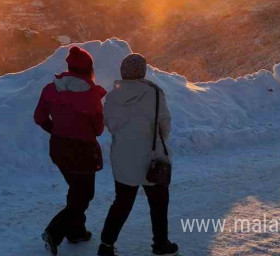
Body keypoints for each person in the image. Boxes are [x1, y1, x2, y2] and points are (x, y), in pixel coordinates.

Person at [97, 53, 179, 256]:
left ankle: (106, 246)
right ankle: (161, 244)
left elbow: (110, 125)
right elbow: (164, 125)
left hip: (122, 157)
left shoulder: (112, 95)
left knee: (122, 203)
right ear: (142, 72)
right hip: (152, 157)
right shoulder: (154, 92)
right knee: (158, 204)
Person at [34, 45, 107, 255]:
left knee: (76, 191)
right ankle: (53, 232)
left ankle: (76, 232)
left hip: (58, 148)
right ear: (88, 69)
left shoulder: (51, 88)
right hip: (82, 152)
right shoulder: (91, 95)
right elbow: (99, 129)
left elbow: (39, 118)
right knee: (84, 195)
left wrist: (56, 130)